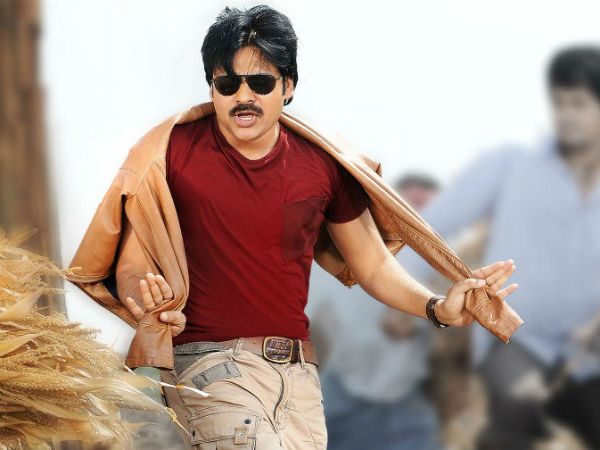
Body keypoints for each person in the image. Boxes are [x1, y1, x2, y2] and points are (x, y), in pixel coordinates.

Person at [87, 5, 519, 449]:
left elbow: (372, 265)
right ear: (212, 88)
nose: (243, 96)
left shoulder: (322, 164)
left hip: (300, 381)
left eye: (260, 82)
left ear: (288, 85)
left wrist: (438, 309)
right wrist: (146, 297)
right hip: (211, 368)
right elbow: (132, 264)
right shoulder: (170, 154)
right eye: (227, 84)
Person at [397, 45, 600, 450]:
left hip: (588, 349)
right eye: (559, 103)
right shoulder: (511, 166)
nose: (567, 115)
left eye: (579, 103)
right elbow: (428, 227)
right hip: (516, 339)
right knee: (515, 415)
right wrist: (404, 298)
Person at [306, 173, 444, 450]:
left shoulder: (443, 273)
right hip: (341, 397)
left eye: (425, 210)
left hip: (404, 405)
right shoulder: (346, 255)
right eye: (409, 207)